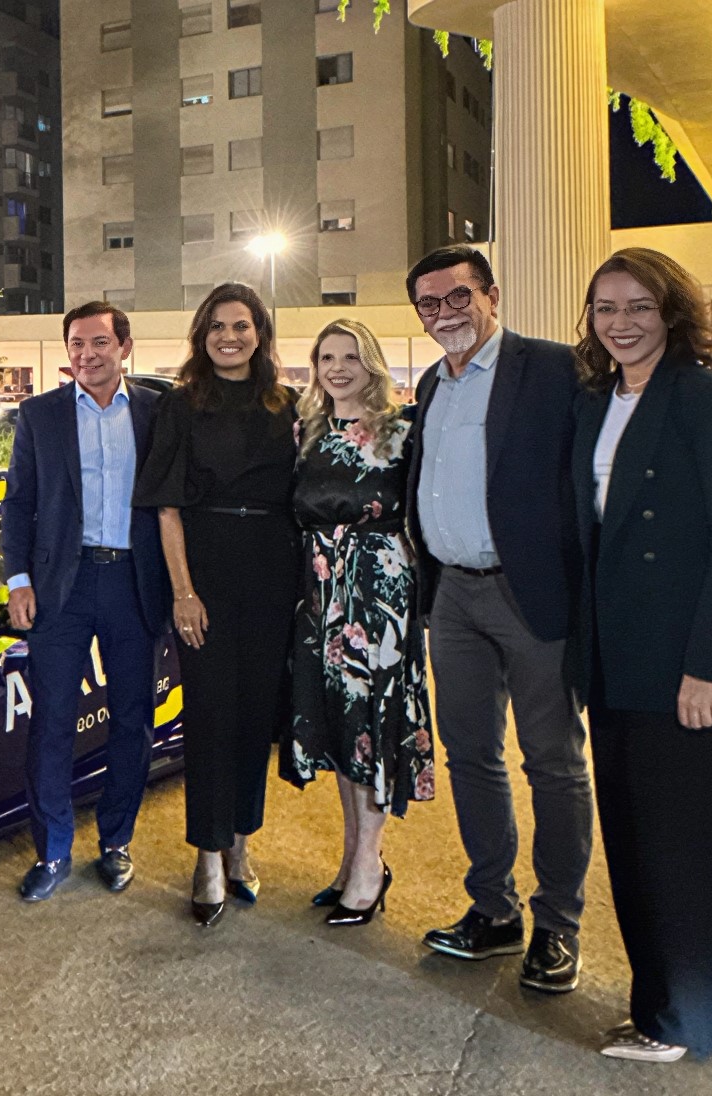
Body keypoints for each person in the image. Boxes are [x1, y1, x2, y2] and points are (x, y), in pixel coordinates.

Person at [566, 248, 712, 1062]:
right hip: (615, 658)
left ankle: (698, 1019)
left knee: (693, 850)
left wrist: (709, 665)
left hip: (686, 662)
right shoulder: (597, 401)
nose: (619, 323)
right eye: (605, 308)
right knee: (637, 842)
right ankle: (659, 1009)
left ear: (672, 312)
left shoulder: (704, 397)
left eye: (638, 307)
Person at [403, 246, 589, 993]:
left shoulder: (552, 368)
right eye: (429, 304)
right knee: (470, 755)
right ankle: (493, 909)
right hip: (453, 595)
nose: (444, 313)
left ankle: (557, 925)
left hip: (532, 593)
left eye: (458, 297)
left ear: (492, 295)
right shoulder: (430, 383)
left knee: (552, 761)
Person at [133, 282, 298, 927]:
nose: (230, 337)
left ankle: (241, 843)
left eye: (241, 325)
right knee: (209, 716)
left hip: (273, 573)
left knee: (256, 718)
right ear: (202, 336)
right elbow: (166, 508)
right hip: (204, 574)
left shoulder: (287, 405)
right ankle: (206, 854)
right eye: (218, 327)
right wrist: (184, 592)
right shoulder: (181, 405)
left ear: (260, 334)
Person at [3, 301, 171, 901]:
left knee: (132, 720)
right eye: (76, 343)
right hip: (61, 591)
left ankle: (116, 841)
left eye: (99, 342)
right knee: (51, 722)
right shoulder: (39, 415)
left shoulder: (156, 413)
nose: (87, 354)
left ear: (124, 346)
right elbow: (18, 502)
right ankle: (52, 851)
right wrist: (17, 579)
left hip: (134, 583)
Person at [281, 319, 431, 927]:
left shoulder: (402, 431)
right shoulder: (306, 433)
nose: (338, 368)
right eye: (327, 358)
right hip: (320, 592)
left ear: (371, 363)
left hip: (378, 591)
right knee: (342, 725)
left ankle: (370, 864)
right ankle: (353, 859)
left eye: (350, 356)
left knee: (371, 721)